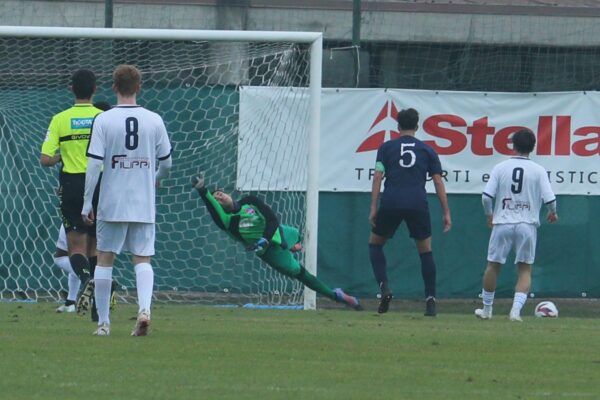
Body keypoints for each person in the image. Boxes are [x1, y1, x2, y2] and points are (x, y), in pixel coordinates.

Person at [82, 64, 172, 336]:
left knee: (104, 261)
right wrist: (155, 176)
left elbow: (93, 164)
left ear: (114, 87)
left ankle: (104, 324)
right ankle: (144, 310)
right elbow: (168, 163)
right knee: (142, 259)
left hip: (112, 203)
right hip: (143, 202)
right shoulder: (154, 119)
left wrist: (88, 203)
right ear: (139, 87)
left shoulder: (104, 120)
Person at [191, 175, 362, 310]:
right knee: (300, 273)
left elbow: (272, 219)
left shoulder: (249, 201)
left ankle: (293, 246)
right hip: (271, 252)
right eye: (217, 198)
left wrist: (264, 239)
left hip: (278, 232)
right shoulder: (228, 222)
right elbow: (212, 207)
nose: (219, 196)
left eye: (221, 193)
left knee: (296, 233)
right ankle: (336, 296)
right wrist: (202, 190)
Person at [368, 108, 451, 316]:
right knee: (425, 252)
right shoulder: (427, 150)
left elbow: (378, 176)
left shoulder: (386, 148)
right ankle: (430, 300)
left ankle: (384, 287)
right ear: (416, 126)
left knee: (375, 245)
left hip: (391, 201)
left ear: (397, 126)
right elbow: (438, 181)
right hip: (417, 202)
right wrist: (446, 211)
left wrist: (373, 207)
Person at [475, 129, 557, 322]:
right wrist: (553, 212)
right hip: (526, 224)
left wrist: (489, 215)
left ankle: (487, 310)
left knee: (493, 266)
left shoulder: (500, 167)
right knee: (524, 268)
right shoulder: (538, 170)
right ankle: (515, 312)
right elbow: (550, 199)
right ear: (533, 147)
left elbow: (486, 197)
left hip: (503, 222)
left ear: (513, 146)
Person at [40, 69, 103, 307]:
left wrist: (61, 157)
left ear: (71, 90)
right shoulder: (102, 118)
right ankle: (99, 307)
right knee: (97, 246)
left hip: (72, 185)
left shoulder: (60, 119)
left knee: (75, 247)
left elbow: (45, 159)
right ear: (95, 89)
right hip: (99, 184)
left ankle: (85, 278)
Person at [53, 225, 80, 313]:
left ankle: (93, 281)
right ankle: (70, 302)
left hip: (74, 220)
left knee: (60, 258)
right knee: (75, 266)